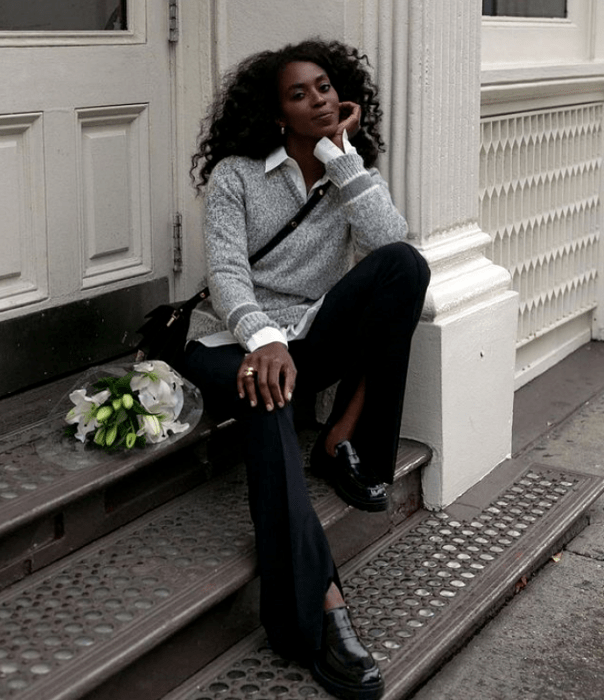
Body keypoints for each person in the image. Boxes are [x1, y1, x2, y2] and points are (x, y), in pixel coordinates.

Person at [184, 38, 430, 700]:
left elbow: (389, 240)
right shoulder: (235, 176)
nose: (317, 99)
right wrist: (262, 339)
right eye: (299, 94)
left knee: (405, 267)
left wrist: (342, 157)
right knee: (264, 400)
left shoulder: (344, 167)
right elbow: (228, 275)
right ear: (275, 114)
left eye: (323, 87)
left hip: (304, 333)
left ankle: (344, 440)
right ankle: (318, 611)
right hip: (230, 338)